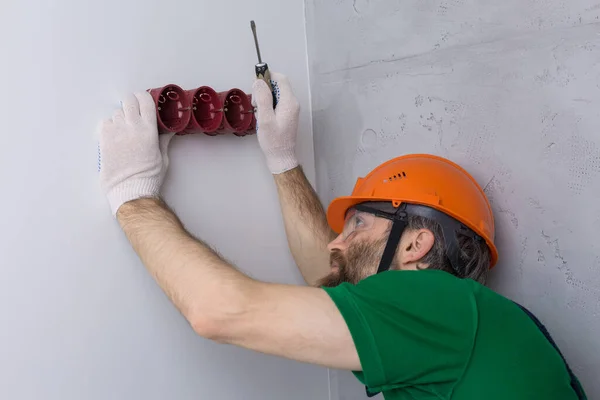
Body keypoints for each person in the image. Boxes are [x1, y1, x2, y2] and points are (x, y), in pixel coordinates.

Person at [97, 72, 587, 399]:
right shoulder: (453, 321)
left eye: (357, 225)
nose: (336, 241)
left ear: (416, 244)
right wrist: (282, 160)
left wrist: (133, 193)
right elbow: (327, 273)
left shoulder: (436, 307)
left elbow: (220, 312)